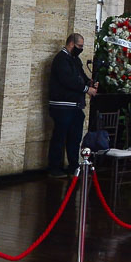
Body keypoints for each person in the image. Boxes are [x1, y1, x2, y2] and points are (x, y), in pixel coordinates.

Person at [48, 33, 97, 177]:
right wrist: (87, 90)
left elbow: (81, 76)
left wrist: (90, 82)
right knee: (60, 137)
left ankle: (73, 166)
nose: (81, 49)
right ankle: (54, 168)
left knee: (75, 138)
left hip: (74, 105)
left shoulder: (74, 59)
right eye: (79, 46)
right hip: (62, 105)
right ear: (71, 44)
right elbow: (68, 80)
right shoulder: (61, 59)